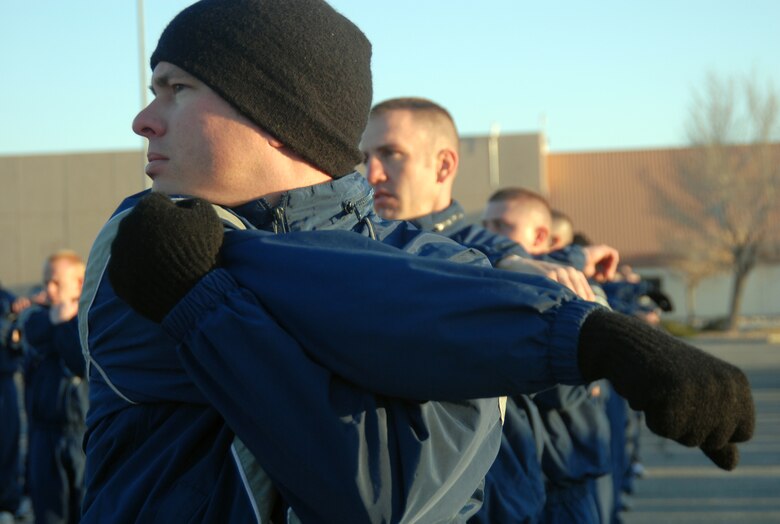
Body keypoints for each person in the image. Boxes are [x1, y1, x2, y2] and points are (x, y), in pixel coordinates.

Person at [82, 1, 754, 523]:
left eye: (177, 88)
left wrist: (566, 324)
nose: (144, 118)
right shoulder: (140, 245)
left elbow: (399, 496)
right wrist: (576, 335)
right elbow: (313, 286)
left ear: (277, 116)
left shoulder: (447, 277)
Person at [361, 97, 552, 522]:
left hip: (495, 501)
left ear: (444, 166)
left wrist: (517, 267)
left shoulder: (481, 254)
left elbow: (501, 256)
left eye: (391, 154)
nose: (372, 174)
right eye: (366, 157)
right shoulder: (363, 248)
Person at [19, 251, 87, 524]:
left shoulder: (87, 320)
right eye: (47, 281)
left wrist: (63, 324)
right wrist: (56, 320)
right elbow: (32, 334)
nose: (49, 289)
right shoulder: (37, 316)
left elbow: (79, 360)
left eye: (57, 283)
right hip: (43, 434)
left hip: (82, 436)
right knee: (49, 513)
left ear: (79, 284)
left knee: (86, 508)